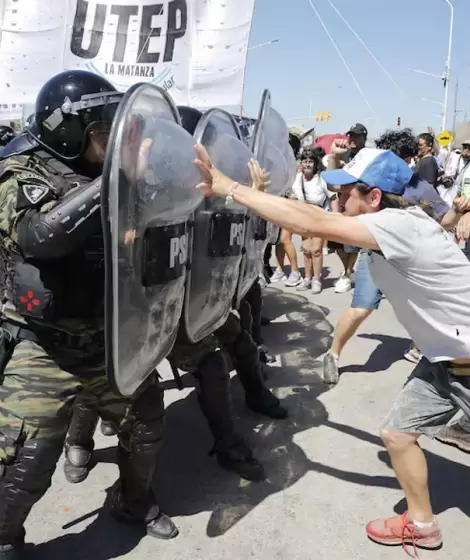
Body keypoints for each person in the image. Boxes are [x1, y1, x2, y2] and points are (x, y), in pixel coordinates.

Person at [193, 143, 470, 555]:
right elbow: (303, 227)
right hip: (443, 363)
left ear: (374, 197)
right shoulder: (387, 237)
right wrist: (254, 195)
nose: (336, 200)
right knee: (396, 435)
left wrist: (230, 187)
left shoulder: (400, 226)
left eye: (345, 194)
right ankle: (422, 524)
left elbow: (313, 221)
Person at [0, 70, 176, 560]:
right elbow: (40, 237)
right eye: (106, 130)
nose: (119, 138)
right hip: (45, 344)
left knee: (145, 429)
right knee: (25, 459)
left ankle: (132, 501)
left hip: (113, 339)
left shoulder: (126, 171)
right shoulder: (21, 170)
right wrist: (118, 176)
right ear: (69, 128)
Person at [323, 128, 460, 383]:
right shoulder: (368, 181)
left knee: (426, 309)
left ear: (406, 158)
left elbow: (444, 219)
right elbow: (335, 185)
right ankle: (332, 353)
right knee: (361, 309)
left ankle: (427, 354)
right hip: (376, 258)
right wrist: (334, 157)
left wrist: (462, 214)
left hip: (412, 265)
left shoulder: (420, 188)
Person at [326, 123, 368, 293]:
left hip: (359, 208)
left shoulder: (367, 156)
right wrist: (334, 157)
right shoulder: (347, 155)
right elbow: (331, 184)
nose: (353, 139)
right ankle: (348, 271)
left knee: (352, 245)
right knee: (337, 243)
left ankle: (348, 273)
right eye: (351, 135)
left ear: (364, 137)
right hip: (342, 207)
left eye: (357, 136)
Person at [290, 147, 338, 294]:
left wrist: (335, 218)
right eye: (305, 161)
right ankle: (307, 278)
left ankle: (317, 280)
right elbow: (294, 194)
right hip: (303, 216)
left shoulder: (322, 178)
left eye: (311, 161)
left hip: (319, 216)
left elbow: (333, 197)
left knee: (316, 250)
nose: (308, 164)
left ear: (315, 163)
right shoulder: (298, 178)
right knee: (306, 249)